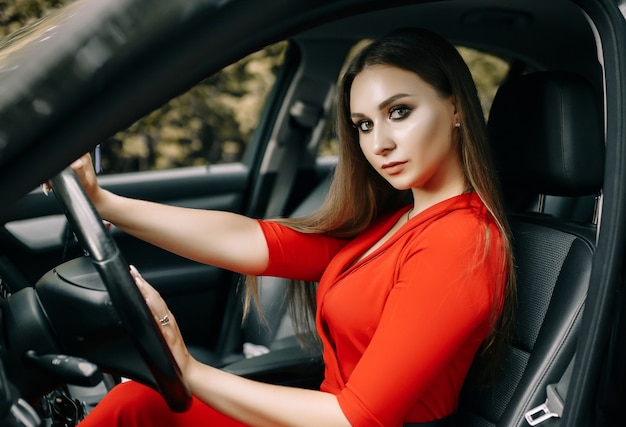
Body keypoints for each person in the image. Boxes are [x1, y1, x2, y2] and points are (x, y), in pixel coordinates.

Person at [74, 27, 515, 427]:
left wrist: (188, 370)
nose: (378, 143)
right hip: (319, 413)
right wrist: (104, 201)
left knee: (138, 406)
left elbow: (354, 418)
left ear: (454, 106)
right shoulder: (396, 220)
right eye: (364, 125)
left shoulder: (460, 240)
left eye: (399, 112)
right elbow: (251, 240)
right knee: (136, 403)